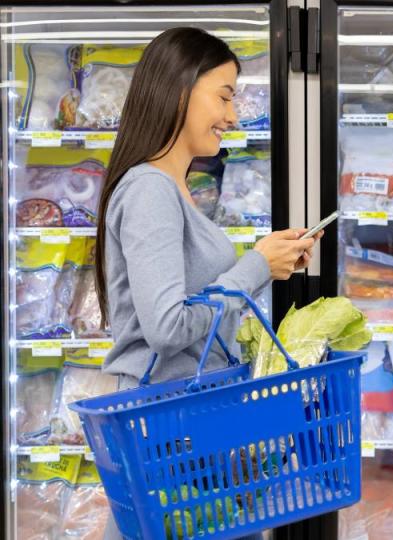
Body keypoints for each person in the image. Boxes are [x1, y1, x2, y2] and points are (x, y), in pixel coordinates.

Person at [92, 27, 313, 539]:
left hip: (191, 428)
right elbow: (168, 327)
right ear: (178, 90)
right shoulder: (150, 190)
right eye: (225, 95)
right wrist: (256, 265)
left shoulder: (174, 188)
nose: (233, 115)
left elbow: (196, 300)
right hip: (168, 433)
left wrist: (270, 264)